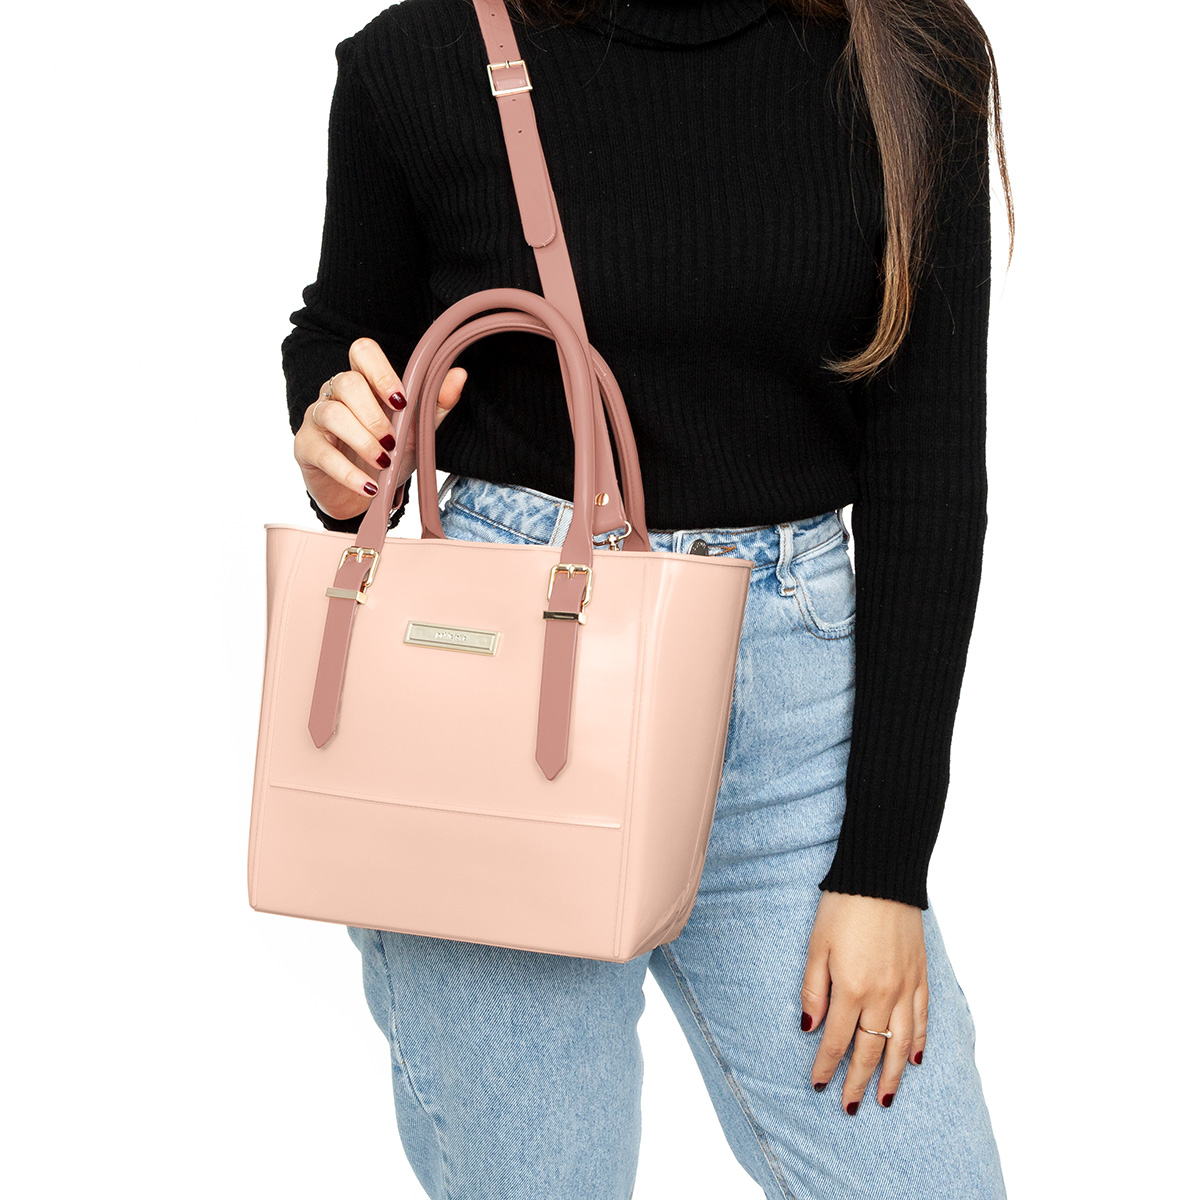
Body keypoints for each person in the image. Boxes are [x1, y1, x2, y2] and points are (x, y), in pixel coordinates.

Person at [282, 0, 1012, 1195]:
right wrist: (340, 436)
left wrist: (886, 863)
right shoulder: (423, 57)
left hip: (794, 742)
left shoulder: (909, 51)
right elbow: (344, 328)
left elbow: (927, 458)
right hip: (497, 712)